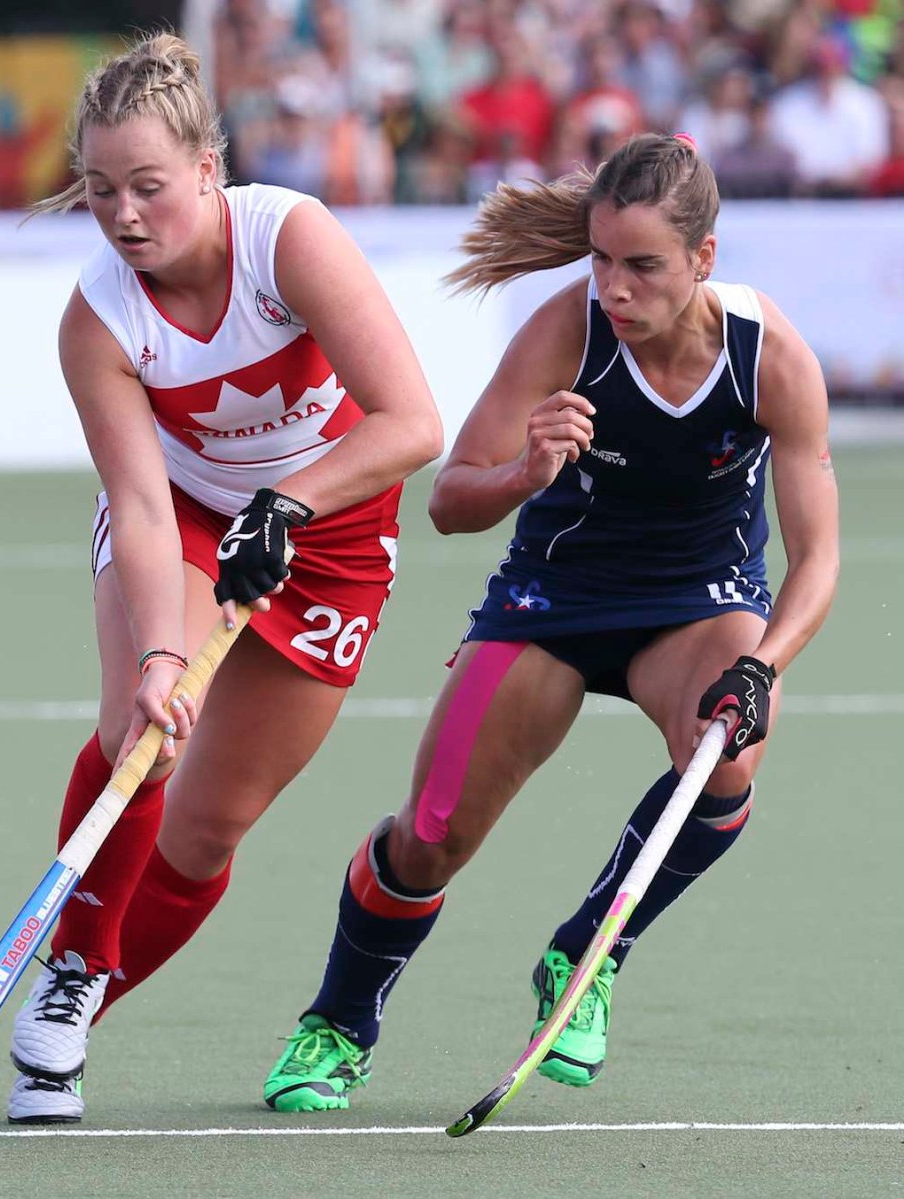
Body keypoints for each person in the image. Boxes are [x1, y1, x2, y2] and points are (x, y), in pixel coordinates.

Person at [263, 132, 839, 1113]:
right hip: (550, 602)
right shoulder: (561, 333)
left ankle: (585, 952)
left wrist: (763, 667)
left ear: (703, 259)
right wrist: (527, 470)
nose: (615, 287)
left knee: (732, 746)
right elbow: (449, 500)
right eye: (602, 259)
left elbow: (816, 555)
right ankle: (336, 1021)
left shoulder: (768, 356)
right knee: (430, 836)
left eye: (643, 266)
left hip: (697, 603)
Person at [4, 31, 443, 1123]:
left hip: (330, 530)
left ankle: (77, 1011)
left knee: (205, 831)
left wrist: (288, 502)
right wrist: (162, 653)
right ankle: (67, 973)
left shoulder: (287, 239)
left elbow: (411, 423)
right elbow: (144, 502)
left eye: (148, 186)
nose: (123, 214)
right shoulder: (98, 319)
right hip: (192, 519)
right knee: (144, 734)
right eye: (100, 190)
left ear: (210, 167)